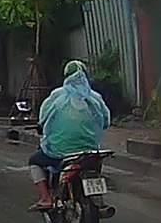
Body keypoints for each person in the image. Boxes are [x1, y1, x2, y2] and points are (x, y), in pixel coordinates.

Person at [28, 60, 110, 210]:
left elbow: (43, 118)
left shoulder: (56, 96)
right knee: (95, 163)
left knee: (34, 161)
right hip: (90, 152)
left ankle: (46, 198)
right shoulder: (95, 97)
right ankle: (97, 197)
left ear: (65, 76)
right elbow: (106, 121)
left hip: (60, 152)